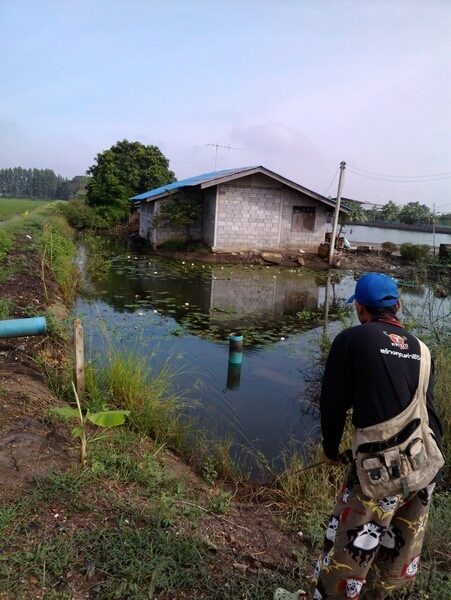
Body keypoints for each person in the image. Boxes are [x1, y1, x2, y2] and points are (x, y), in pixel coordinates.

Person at [274, 272, 443, 600]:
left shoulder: (352, 339)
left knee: (350, 550)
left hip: (380, 470)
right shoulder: (422, 350)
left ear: (360, 309)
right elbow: (426, 413)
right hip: (426, 467)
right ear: (397, 305)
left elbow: (333, 403)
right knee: (397, 552)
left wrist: (330, 449)